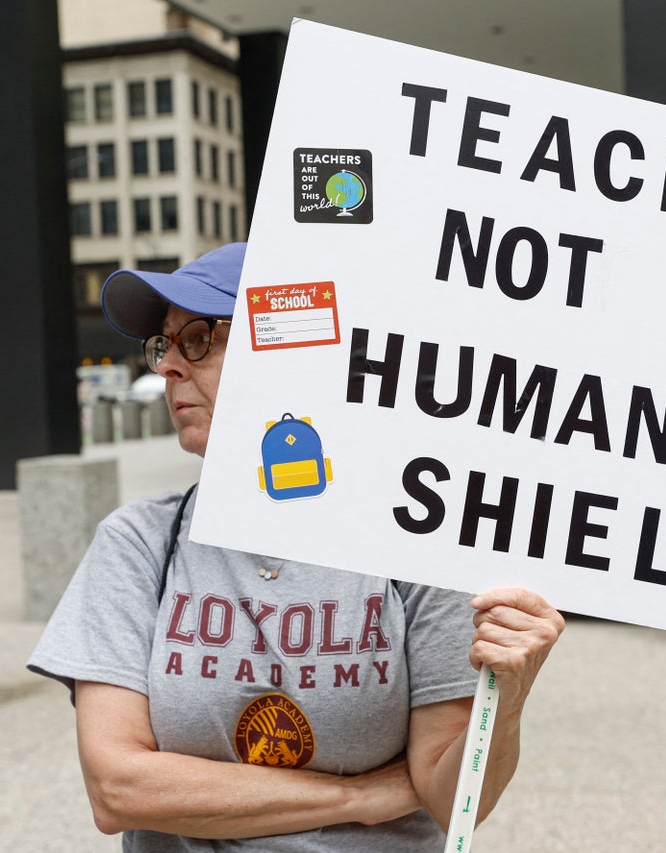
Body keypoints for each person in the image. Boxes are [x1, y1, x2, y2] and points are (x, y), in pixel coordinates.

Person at [28, 243, 565, 849]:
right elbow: (118, 790)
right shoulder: (139, 542)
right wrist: (357, 797)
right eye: (164, 344)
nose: (169, 367)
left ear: (292, 352)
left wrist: (510, 697)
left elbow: (452, 797)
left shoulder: (416, 543)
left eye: (199, 339)